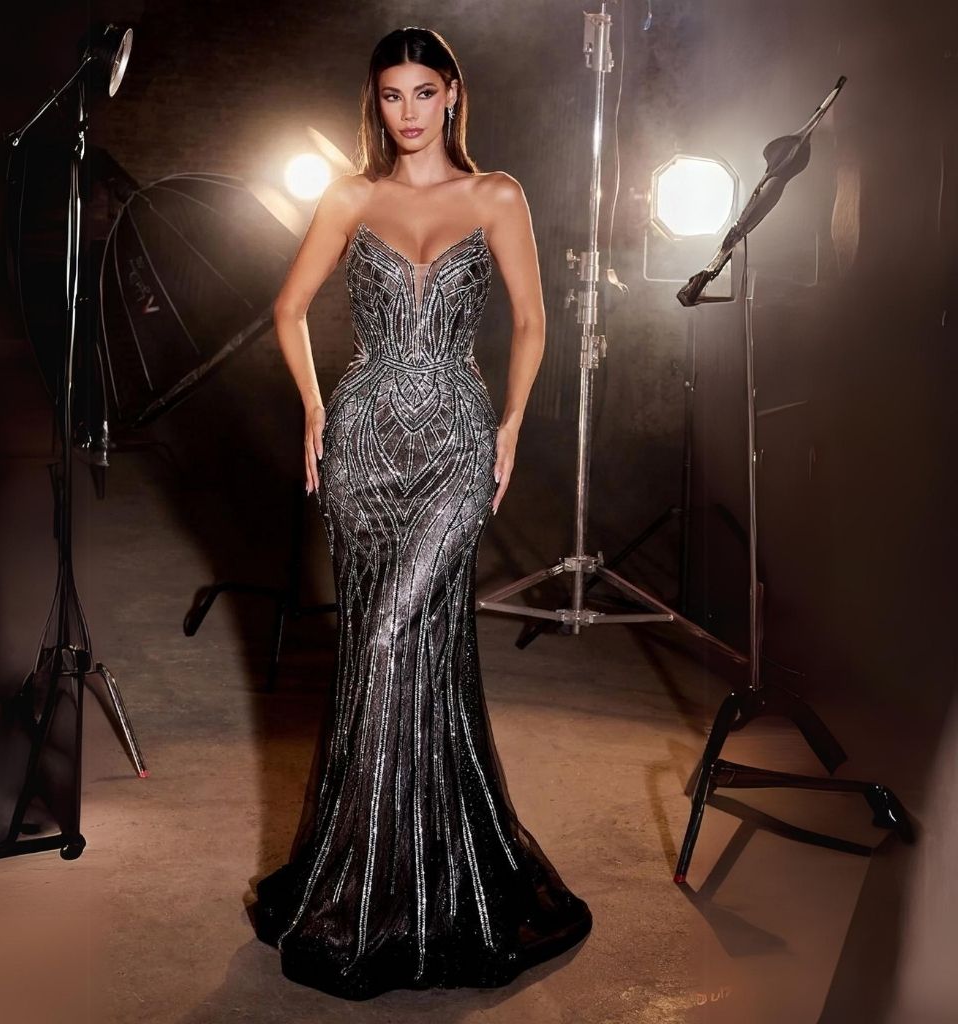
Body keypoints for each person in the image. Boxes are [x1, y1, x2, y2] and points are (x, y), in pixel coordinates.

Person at [252, 25, 592, 1000]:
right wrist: (317, 410)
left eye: (420, 92)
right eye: (389, 94)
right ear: (378, 102)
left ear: (451, 95)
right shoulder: (349, 196)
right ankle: (377, 879)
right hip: (361, 445)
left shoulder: (495, 196)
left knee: (401, 638)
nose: (404, 110)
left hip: (452, 444)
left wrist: (514, 423)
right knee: (378, 650)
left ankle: (400, 887)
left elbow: (531, 320)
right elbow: (285, 309)